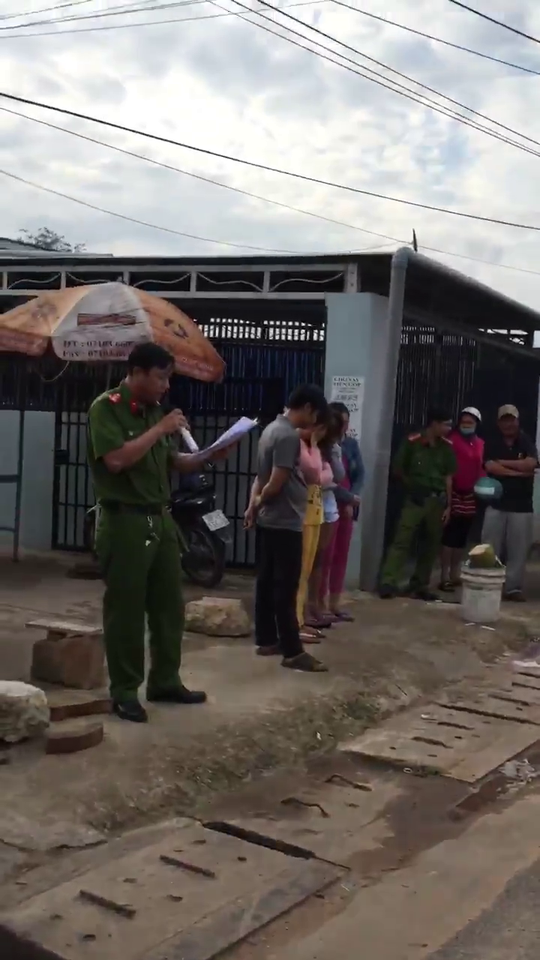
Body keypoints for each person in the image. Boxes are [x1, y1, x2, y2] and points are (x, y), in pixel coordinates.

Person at [87, 342, 234, 724]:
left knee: (169, 606)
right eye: (160, 377)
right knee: (127, 610)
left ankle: (165, 680)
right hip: (125, 521)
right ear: (136, 372)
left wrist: (207, 456)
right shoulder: (106, 408)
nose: (166, 386)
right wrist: (160, 429)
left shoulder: (155, 413)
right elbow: (116, 460)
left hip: (160, 517)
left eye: (168, 378)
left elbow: (173, 462)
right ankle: (124, 691)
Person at [244, 384, 329, 672]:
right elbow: (276, 481)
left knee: (267, 581)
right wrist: (256, 503)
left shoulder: (269, 430)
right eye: (315, 414)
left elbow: (261, 476)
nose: (315, 422)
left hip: (271, 518)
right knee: (287, 586)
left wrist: (252, 505)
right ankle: (293, 651)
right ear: (306, 408)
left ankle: (267, 638)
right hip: (286, 520)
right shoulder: (288, 437)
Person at [379, 409, 456, 601]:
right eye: (445, 424)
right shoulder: (413, 442)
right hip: (415, 499)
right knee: (402, 539)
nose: (448, 428)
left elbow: (449, 477)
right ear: (434, 424)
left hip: (436, 500)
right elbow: (398, 468)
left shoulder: (446, 447)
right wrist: (411, 487)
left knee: (431, 544)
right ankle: (388, 582)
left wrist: (449, 505)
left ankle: (420, 584)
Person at [482, 404, 538, 601]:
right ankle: (488, 584)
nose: (508, 424)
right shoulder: (492, 442)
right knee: (490, 547)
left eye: (511, 419)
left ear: (517, 421)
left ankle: (513, 587)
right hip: (496, 505)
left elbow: (531, 463)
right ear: (499, 423)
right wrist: (519, 472)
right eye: (504, 420)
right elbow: (490, 466)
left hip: (521, 507)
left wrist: (503, 463)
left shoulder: (525, 440)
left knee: (518, 549)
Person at [319, 401, 365, 621]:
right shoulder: (324, 446)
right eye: (341, 422)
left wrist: (351, 499)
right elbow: (326, 479)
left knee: (340, 556)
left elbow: (359, 475)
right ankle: (320, 603)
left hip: (347, 506)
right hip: (329, 504)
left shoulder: (351, 446)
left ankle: (335, 602)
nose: (344, 427)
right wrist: (347, 498)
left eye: (347, 422)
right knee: (325, 557)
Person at [304, 408, 347, 631]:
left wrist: (334, 452)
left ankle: (316, 603)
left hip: (327, 504)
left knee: (320, 557)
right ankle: (304, 608)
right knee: (307, 560)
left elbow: (338, 476)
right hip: (310, 503)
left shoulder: (331, 449)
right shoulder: (306, 446)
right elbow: (314, 479)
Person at [439, 407, 484, 591]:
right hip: (454, 492)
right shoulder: (451, 441)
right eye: (464, 422)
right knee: (449, 535)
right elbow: (447, 469)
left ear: (476, 424)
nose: (467, 425)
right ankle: (444, 576)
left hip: (472, 495)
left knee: (462, 536)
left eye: (470, 422)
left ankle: (455, 573)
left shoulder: (480, 443)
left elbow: (481, 466)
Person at [296, 414, 327, 643]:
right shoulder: (298, 444)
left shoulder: (309, 447)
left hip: (314, 513)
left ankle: (300, 620)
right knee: (298, 575)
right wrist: (314, 443)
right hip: (302, 516)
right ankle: (295, 623)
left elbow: (330, 474)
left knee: (305, 574)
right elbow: (316, 473)